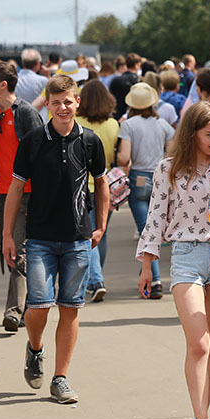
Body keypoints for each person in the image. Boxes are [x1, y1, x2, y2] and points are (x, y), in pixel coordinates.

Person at [137, 102, 210, 419]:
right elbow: (155, 218)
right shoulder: (169, 169)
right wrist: (147, 264)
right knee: (199, 342)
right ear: (192, 133)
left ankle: (202, 416)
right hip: (185, 255)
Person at [3, 74, 109, 405]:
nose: (63, 107)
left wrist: (101, 223)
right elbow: (16, 189)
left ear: (77, 102)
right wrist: (8, 234)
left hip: (78, 237)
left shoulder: (90, 141)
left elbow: (102, 184)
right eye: (56, 102)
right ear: (47, 104)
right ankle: (35, 348)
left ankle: (60, 377)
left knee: (70, 308)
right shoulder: (33, 141)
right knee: (38, 306)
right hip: (40, 238)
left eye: (68, 101)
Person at [0, 60, 42, 331]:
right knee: (7, 251)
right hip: (2, 194)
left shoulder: (26, 113)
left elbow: (40, 154)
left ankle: (14, 311)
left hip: (26, 193)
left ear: (2, 84)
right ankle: (32, 302)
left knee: (16, 251)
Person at [118, 82, 176, 298]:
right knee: (156, 228)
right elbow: (172, 151)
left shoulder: (128, 125)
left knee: (145, 228)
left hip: (138, 178)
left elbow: (124, 157)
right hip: (160, 177)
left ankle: (155, 278)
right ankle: (153, 274)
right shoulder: (163, 124)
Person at [76, 79, 119, 303]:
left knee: (86, 235)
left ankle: (96, 279)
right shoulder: (113, 125)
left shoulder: (74, 122)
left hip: (81, 185)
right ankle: (96, 277)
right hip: (106, 185)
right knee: (101, 234)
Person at [109, 52, 142, 119]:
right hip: (134, 116)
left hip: (117, 115)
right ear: (136, 65)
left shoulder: (116, 80)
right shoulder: (139, 81)